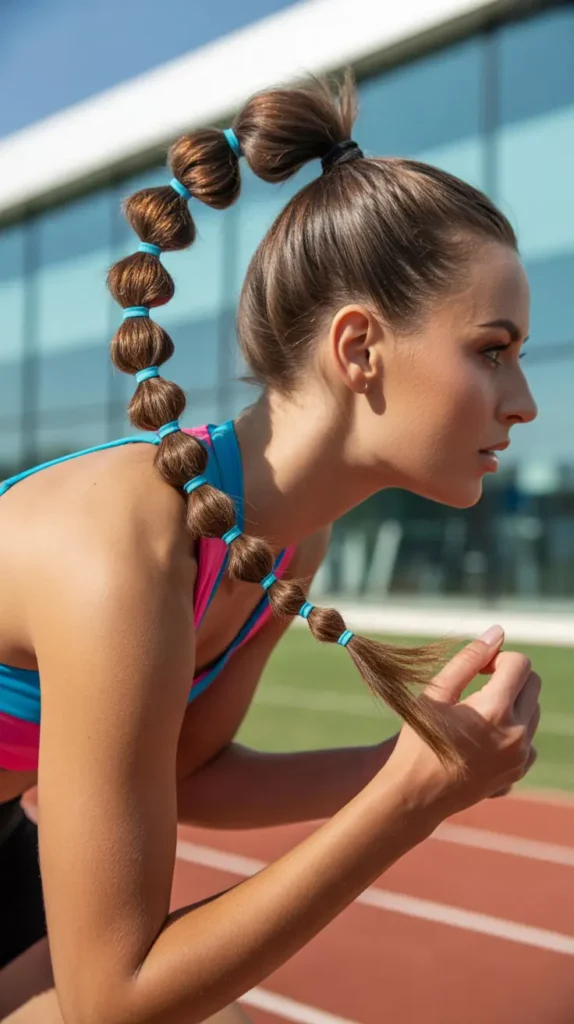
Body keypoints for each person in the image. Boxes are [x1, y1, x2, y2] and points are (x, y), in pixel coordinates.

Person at [0, 74, 540, 1024]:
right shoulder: (119, 551)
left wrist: (424, 756)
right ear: (359, 349)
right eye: (491, 349)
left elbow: (191, 772)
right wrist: (411, 798)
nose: (525, 401)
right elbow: (114, 1000)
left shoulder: (285, 542)